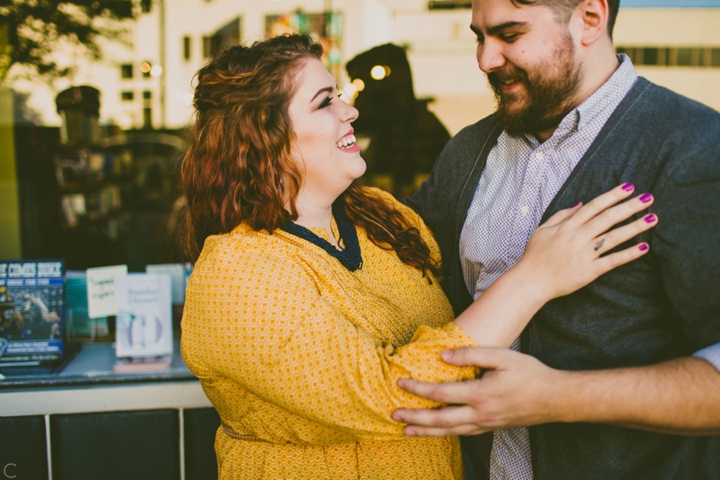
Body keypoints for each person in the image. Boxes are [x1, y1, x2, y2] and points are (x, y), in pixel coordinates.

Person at [178, 34, 655, 479]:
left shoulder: (380, 217)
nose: (351, 111)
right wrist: (536, 278)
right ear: (264, 136)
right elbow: (392, 395)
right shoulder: (236, 273)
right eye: (325, 102)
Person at [392, 0, 720, 478]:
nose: (485, 59)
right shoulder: (466, 152)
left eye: (509, 34)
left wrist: (558, 396)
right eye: (479, 37)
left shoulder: (695, 147)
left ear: (590, 17)